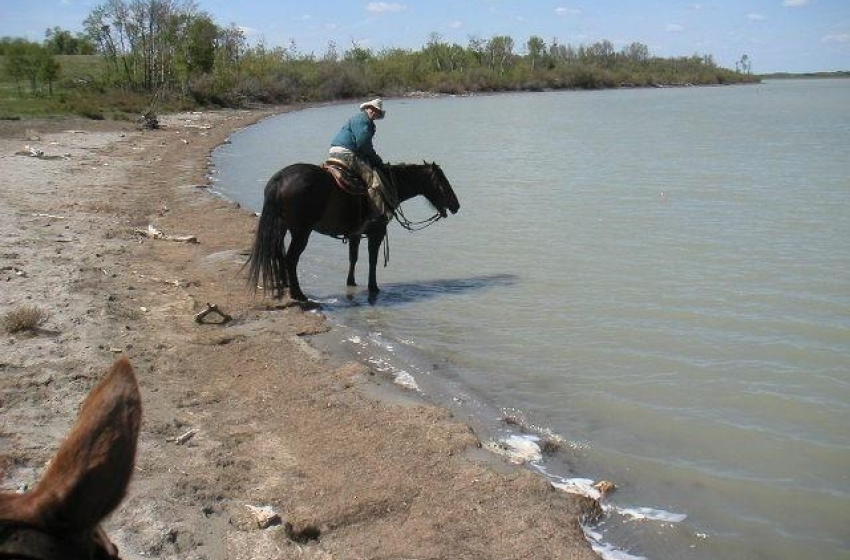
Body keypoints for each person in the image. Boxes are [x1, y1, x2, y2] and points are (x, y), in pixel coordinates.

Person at [328, 98, 396, 220]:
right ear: (367, 108)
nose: (374, 112)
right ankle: (376, 215)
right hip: (347, 152)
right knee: (373, 181)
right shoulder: (364, 121)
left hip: (334, 151)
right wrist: (377, 161)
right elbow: (363, 144)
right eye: (372, 109)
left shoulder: (357, 119)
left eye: (377, 111)